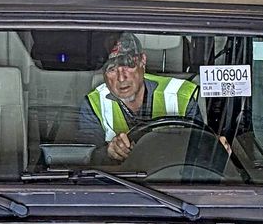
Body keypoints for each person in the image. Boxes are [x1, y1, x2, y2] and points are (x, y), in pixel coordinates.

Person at [77, 34, 202, 163]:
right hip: (117, 180)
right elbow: (86, 157)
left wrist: (216, 147)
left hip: (171, 178)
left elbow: (199, 149)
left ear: (143, 60)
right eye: (111, 69)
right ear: (103, 73)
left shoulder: (179, 95)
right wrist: (107, 152)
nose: (121, 78)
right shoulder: (94, 103)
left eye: (128, 64)